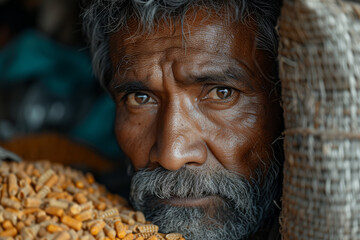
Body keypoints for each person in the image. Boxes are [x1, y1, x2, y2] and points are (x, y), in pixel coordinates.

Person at [82, 1, 283, 239]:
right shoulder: (84, 207)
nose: (171, 156)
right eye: (141, 98)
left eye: (221, 93)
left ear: (286, 104)